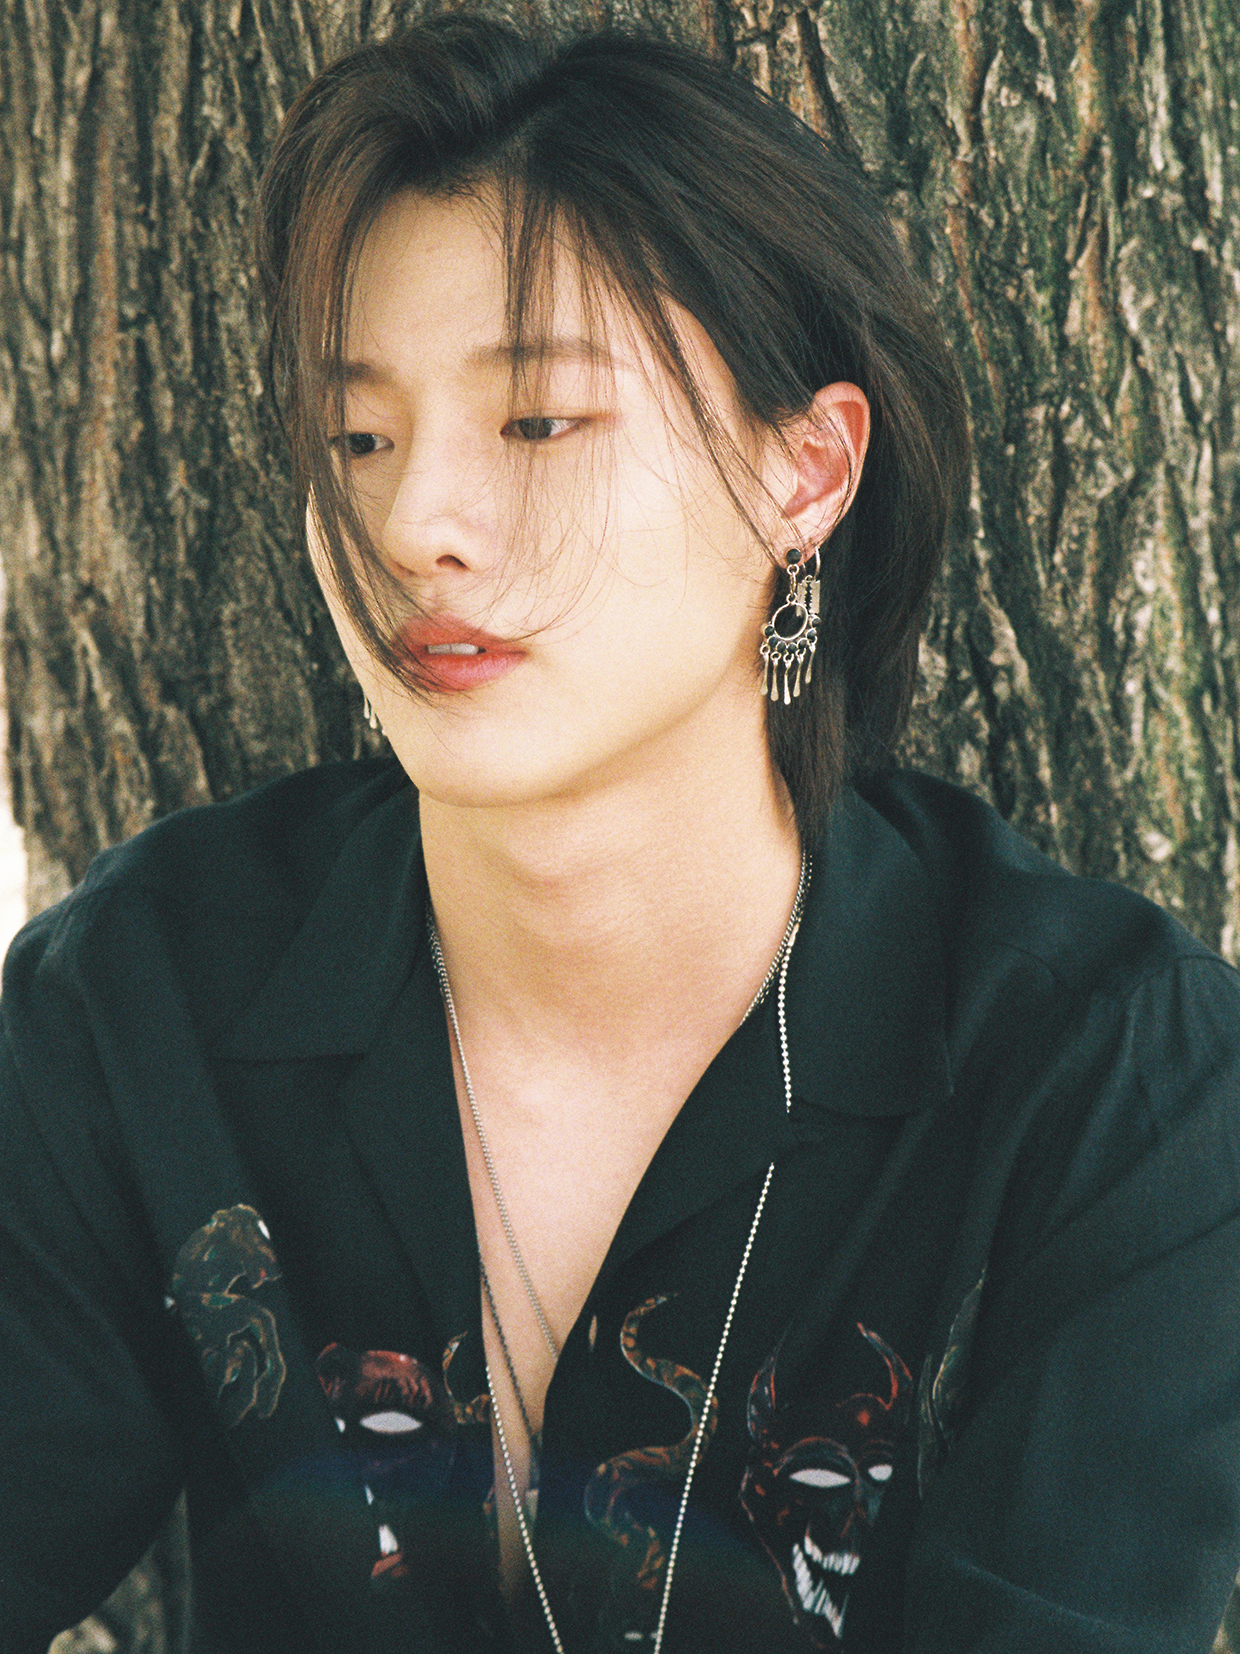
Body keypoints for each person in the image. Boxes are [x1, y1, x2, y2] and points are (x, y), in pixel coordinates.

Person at [2, 14, 1239, 1654]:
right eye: (360, 437)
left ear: (805, 474)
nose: (416, 524)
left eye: (539, 422)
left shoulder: (1111, 1089)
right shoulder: (141, 1001)